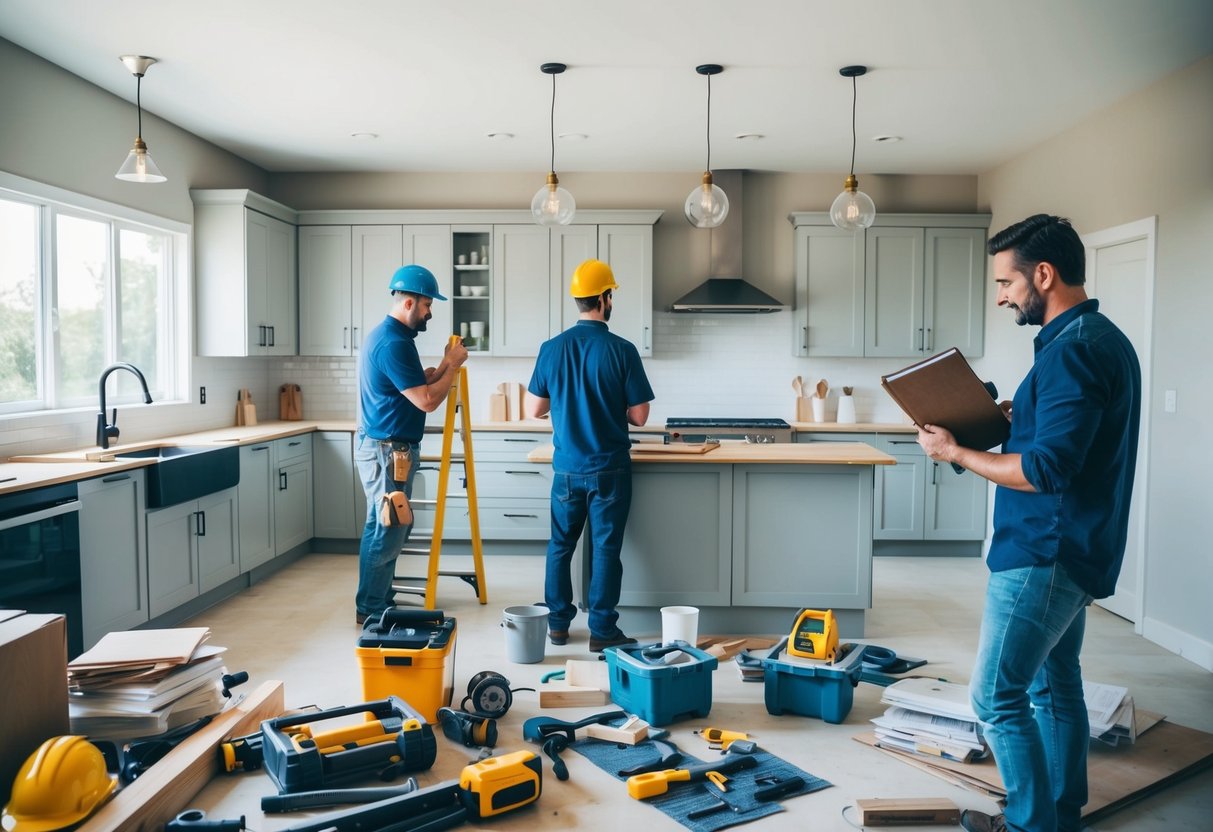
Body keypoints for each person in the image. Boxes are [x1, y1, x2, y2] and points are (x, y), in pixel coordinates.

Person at [916, 215, 1141, 832]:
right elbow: (1068, 442)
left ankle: (1031, 823)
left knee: (995, 696)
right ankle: (1061, 811)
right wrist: (1018, 416)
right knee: (1054, 681)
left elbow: (1047, 470)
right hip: (1078, 545)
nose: (1002, 295)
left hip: (1044, 550)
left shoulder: (1072, 351)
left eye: (1006, 282)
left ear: (1043, 274)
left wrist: (955, 452)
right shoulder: (1100, 338)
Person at [525, 259, 655, 652]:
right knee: (605, 549)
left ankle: (559, 625)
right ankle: (602, 631)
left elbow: (535, 408)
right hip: (609, 469)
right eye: (611, 295)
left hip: (566, 470)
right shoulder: (622, 350)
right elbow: (641, 417)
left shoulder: (552, 348)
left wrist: (567, 398)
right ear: (604, 298)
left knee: (560, 547)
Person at [355, 264, 468, 624]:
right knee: (387, 528)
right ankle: (372, 609)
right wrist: (450, 365)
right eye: (427, 304)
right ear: (408, 302)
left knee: (385, 525)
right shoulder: (392, 343)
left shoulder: (395, 339)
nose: (430, 311)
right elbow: (426, 401)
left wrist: (439, 369)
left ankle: (377, 601)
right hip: (387, 451)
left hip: (388, 449)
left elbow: (414, 387)